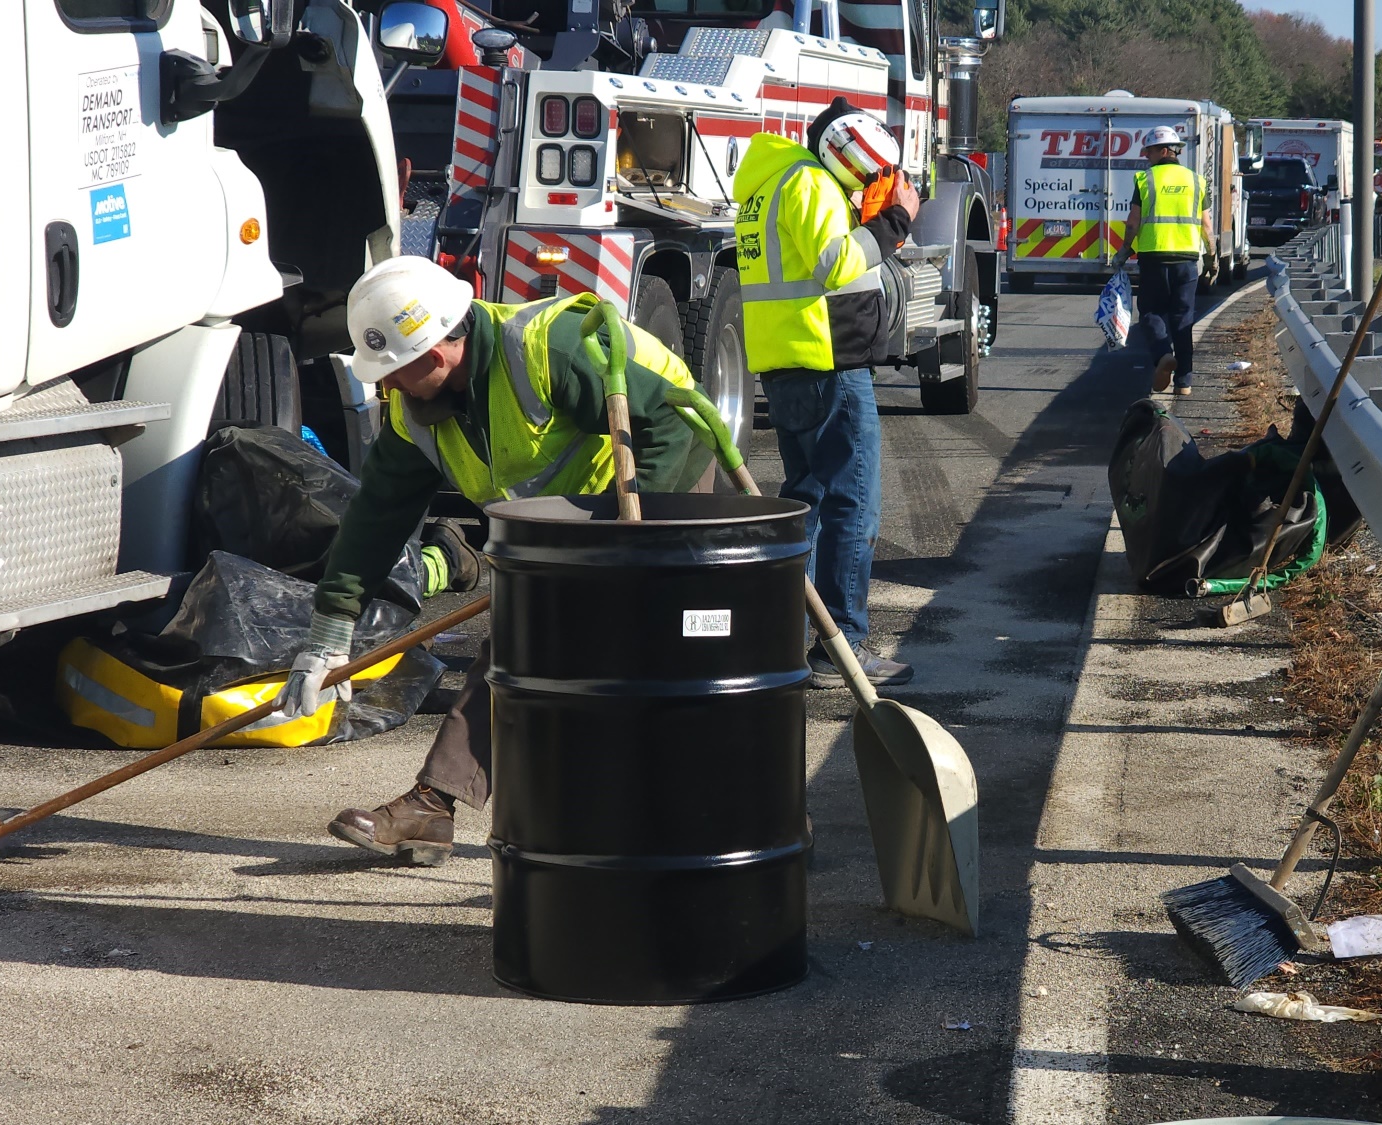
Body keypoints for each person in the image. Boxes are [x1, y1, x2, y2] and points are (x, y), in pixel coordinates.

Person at [283, 256, 712, 865]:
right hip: (555, 534)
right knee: (518, 644)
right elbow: (376, 516)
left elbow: (675, 421)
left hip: (654, 489)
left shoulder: (551, 349)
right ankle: (433, 808)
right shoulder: (417, 414)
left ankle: (740, 807)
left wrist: (631, 540)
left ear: (437, 354)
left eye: (394, 370)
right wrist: (331, 633)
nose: (388, 386)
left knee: (675, 662)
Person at [732, 100, 920, 687]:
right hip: (828, 365)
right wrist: (895, 222)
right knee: (852, 504)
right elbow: (836, 262)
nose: (877, 188)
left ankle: (789, 639)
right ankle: (843, 646)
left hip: (790, 363)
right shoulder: (810, 183)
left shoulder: (769, 181)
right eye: (870, 177)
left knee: (805, 505)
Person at [1117, 125, 1213, 396]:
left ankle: (1162, 355)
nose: (1146, 156)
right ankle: (1184, 382)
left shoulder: (1144, 180)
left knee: (1150, 312)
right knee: (1183, 320)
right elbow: (1207, 226)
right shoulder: (1196, 181)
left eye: (1148, 151)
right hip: (1187, 260)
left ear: (1163, 150)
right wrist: (1212, 258)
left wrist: (1125, 250)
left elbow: (1133, 222)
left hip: (1154, 257)